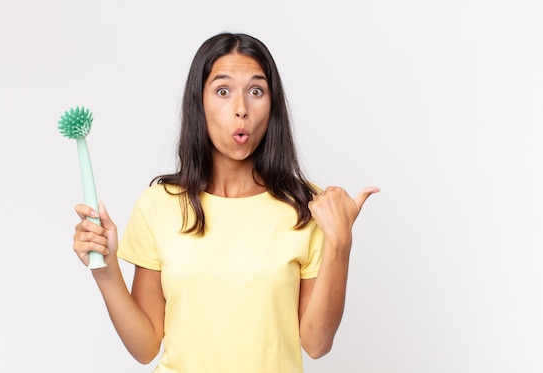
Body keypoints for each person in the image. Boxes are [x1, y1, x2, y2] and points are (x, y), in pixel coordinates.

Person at [72, 32, 379, 373]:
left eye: (256, 91)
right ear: (199, 103)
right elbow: (145, 348)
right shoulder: (158, 205)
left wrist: (340, 243)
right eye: (223, 91)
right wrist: (106, 268)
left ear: (272, 104)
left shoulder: (307, 206)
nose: (241, 110)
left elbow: (317, 344)